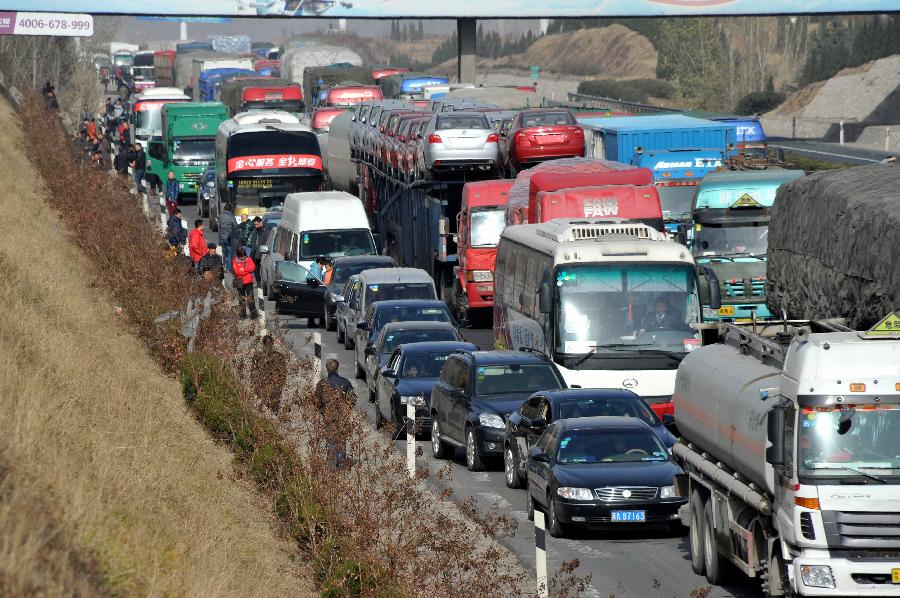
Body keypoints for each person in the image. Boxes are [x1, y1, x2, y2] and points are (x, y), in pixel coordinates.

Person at [313, 358, 356, 468]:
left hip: (328, 417)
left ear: (327, 369)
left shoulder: (322, 383)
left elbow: (316, 401)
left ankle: (332, 465)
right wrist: (347, 410)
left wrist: (323, 411)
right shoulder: (346, 382)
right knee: (341, 439)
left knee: (331, 440)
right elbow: (353, 399)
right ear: (338, 368)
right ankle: (341, 463)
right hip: (342, 416)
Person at [232, 246, 258, 319]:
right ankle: (242, 314)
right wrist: (247, 270)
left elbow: (252, 268)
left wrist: (243, 269)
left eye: (243, 255)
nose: (242, 257)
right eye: (241, 256)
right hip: (240, 282)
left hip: (248, 281)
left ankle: (253, 315)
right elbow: (237, 271)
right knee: (241, 298)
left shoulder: (249, 259)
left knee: (250, 298)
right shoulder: (235, 260)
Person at [218, 204, 237, 272]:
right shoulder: (232, 217)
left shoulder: (220, 217)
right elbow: (235, 226)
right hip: (229, 238)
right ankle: (228, 268)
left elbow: (219, 227)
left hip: (222, 237)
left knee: (224, 253)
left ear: (224, 209)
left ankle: (223, 266)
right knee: (229, 253)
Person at [249, 217, 266, 283]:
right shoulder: (255, 231)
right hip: (255, 253)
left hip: (263, 253)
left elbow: (267, 242)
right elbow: (253, 242)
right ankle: (258, 282)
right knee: (255, 268)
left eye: (257, 224)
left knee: (263, 269)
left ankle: (262, 282)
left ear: (261, 222)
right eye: (255, 225)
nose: (256, 226)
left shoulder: (266, 230)